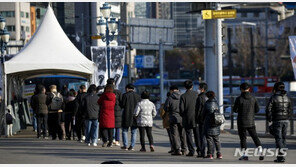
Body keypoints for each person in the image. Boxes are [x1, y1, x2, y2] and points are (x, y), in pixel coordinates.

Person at [233, 83, 264, 161]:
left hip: (241, 122)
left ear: (241, 89)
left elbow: (235, 110)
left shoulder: (239, 99)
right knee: (255, 137)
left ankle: (245, 155)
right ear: (249, 89)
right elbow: (257, 110)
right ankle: (260, 151)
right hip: (251, 121)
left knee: (243, 139)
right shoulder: (253, 98)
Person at [266, 82, 292, 163]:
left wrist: (269, 118)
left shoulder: (273, 97)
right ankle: (282, 155)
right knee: (283, 138)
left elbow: (268, 109)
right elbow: (290, 109)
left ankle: (280, 157)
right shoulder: (287, 97)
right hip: (286, 120)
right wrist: (288, 116)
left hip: (277, 119)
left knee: (278, 138)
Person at [164, 86, 187, 156]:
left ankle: (177, 150)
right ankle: (184, 149)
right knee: (183, 134)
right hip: (182, 118)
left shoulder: (170, 98)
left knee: (174, 134)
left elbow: (166, 108)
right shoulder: (182, 96)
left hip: (173, 118)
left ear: (171, 90)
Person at [179, 80, 199, 157]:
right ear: (192, 86)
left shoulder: (183, 96)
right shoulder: (196, 94)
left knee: (188, 135)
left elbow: (181, 109)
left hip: (187, 118)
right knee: (197, 135)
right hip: (196, 118)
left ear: (185, 87)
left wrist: (183, 115)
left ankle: (191, 150)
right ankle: (199, 150)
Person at [120, 84, 141, 151]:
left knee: (125, 130)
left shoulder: (125, 95)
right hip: (135, 116)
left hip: (126, 115)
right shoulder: (138, 96)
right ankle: (132, 146)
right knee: (134, 131)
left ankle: (125, 145)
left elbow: (122, 105)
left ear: (127, 88)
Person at [203, 91, 222, 159]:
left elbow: (203, 114)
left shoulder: (207, 104)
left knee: (209, 139)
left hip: (208, 123)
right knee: (217, 139)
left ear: (207, 96)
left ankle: (210, 154)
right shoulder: (216, 103)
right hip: (216, 123)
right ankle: (219, 154)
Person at [107, 78, 122, 146]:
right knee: (117, 126)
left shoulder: (105, 92)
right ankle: (117, 140)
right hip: (117, 110)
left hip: (108, 109)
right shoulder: (118, 92)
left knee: (110, 125)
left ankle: (111, 138)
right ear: (113, 83)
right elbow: (121, 102)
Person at [195, 82, 208, 158]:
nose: (198, 89)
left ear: (202, 89)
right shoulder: (207, 96)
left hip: (201, 119)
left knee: (201, 136)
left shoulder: (200, 97)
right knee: (209, 137)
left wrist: (196, 119)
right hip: (208, 119)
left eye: (199, 88)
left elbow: (198, 110)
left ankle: (202, 152)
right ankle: (210, 152)